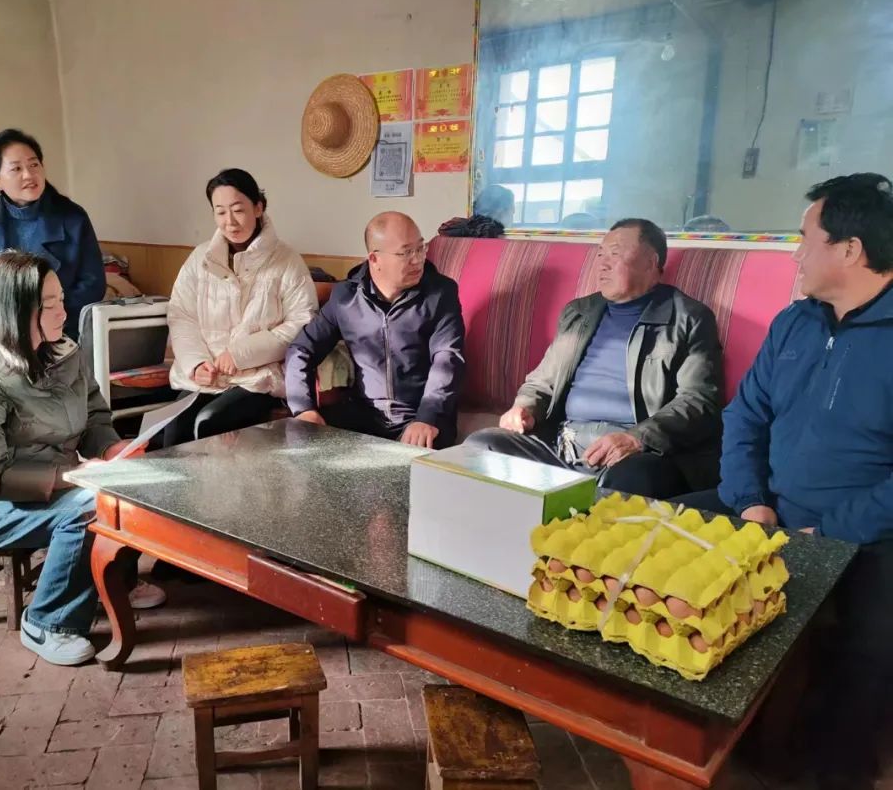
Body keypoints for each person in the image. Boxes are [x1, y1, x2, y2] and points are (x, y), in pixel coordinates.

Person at [675, 174, 893, 788]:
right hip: (768, 508)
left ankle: (835, 768)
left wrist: (829, 532)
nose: (795, 253)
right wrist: (751, 503)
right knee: (659, 533)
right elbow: (745, 416)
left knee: (872, 645)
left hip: (869, 532)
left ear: (849, 249)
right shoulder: (796, 323)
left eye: (805, 238)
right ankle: (694, 734)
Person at [0, 251, 163, 665]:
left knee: (133, 481)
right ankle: (48, 621)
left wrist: (111, 449)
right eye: (47, 304)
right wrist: (75, 476)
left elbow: (94, 415)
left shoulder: (62, 351)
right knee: (91, 506)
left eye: (61, 299)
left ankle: (112, 583)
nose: (62, 312)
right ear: (13, 312)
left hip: (53, 477)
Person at [465, 218, 723, 498]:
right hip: (564, 446)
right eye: (600, 254)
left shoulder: (688, 318)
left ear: (651, 262)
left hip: (633, 453)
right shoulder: (579, 312)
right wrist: (525, 407)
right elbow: (542, 381)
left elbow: (698, 399)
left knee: (629, 479)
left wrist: (637, 438)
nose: (602, 264)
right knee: (482, 446)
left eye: (615, 253)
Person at [162, 168, 317, 446]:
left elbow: (302, 323)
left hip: (259, 379)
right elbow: (181, 315)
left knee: (209, 422)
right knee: (174, 426)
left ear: (258, 207)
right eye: (220, 212)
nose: (230, 222)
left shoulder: (287, 260)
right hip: (208, 378)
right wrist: (196, 363)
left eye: (238, 210)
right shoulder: (200, 258)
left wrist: (239, 354)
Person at [286, 211, 465, 449]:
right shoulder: (346, 298)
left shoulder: (440, 293)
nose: (418, 259)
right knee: (300, 444)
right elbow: (302, 349)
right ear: (374, 259)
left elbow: (448, 358)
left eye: (420, 248)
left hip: (420, 415)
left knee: (411, 458)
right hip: (364, 414)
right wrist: (303, 409)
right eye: (406, 252)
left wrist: (428, 416)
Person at [0, 128, 105, 340]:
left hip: (62, 330)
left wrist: (52, 317)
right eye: (16, 168)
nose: (28, 175)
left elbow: (92, 282)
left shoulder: (73, 218)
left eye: (34, 165)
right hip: (1, 333)